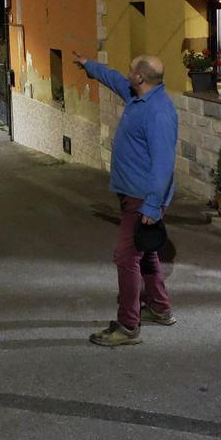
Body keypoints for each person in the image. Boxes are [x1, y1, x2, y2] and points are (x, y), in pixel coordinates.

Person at [73, 51, 178, 347]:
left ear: (141, 77)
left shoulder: (158, 112)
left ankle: (128, 325)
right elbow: (115, 80)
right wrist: (89, 66)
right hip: (134, 195)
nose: (127, 72)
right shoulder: (138, 96)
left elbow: (163, 164)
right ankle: (159, 307)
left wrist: (152, 205)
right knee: (146, 252)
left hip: (142, 197)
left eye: (131, 69)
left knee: (125, 256)